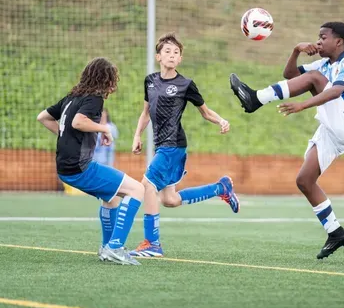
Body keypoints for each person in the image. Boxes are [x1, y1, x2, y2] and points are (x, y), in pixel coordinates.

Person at [230, 22, 344, 259]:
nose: (319, 41)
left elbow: (334, 91)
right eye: (318, 37)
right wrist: (296, 50)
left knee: (314, 78)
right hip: (331, 128)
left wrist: (303, 104)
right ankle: (336, 231)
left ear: (339, 42)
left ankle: (256, 99)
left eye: (323, 37)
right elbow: (290, 76)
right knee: (304, 180)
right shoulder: (323, 64)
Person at [130, 32, 238, 258]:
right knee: (169, 200)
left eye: (176, 52)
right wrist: (137, 135)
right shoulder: (150, 81)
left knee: (147, 185)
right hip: (162, 145)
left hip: (173, 146)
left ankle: (152, 243)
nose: (171, 55)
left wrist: (221, 120)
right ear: (158, 56)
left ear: (180, 59)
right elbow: (145, 113)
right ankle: (220, 188)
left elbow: (205, 112)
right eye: (167, 51)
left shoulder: (185, 84)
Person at [36, 57, 144, 265]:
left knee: (111, 198)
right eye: (112, 80)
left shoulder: (71, 97)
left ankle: (106, 248)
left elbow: (43, 117)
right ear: (104, 80)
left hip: (65, 167)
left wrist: (63, 135)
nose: (114, 86)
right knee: (137, 189)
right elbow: (78, 122)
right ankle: (115, 247)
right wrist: (104, 129)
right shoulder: (95, 99)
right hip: (80, 167)